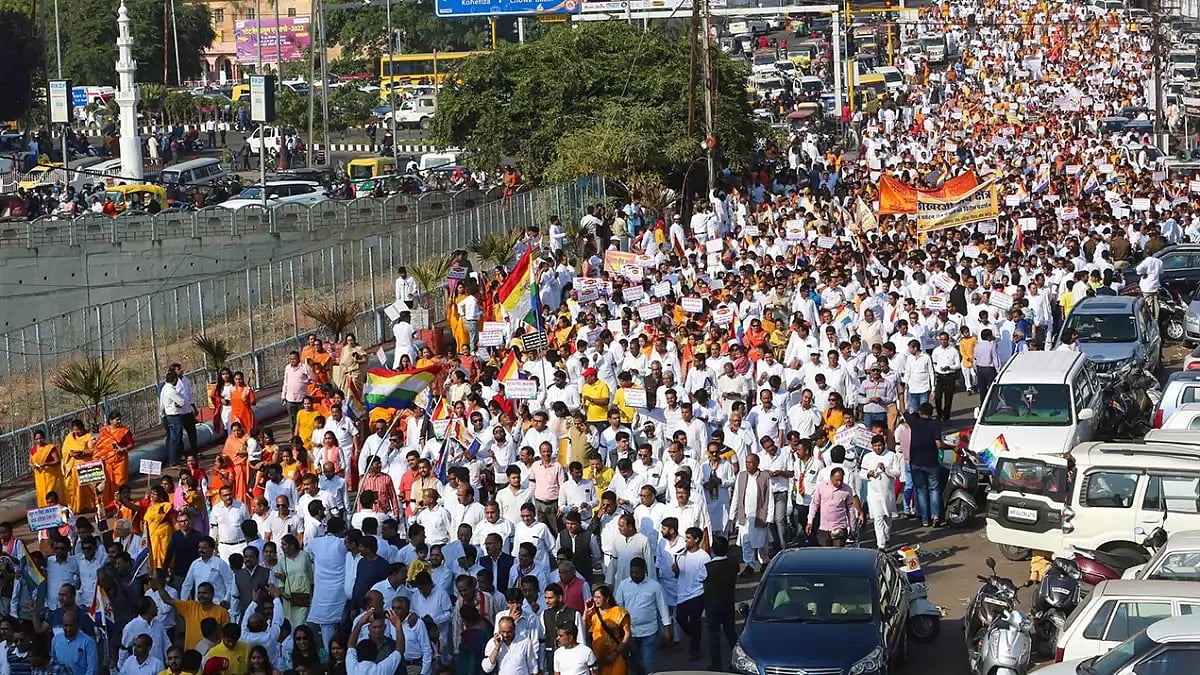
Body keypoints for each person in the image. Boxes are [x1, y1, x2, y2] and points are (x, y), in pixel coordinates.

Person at [904, 403, 946, 528]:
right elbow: (939, 444)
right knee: (934, 489)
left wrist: (901, 393)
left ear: (920, 412)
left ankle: (925, 519)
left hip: (916, 462)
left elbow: (903, 410)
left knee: (921, 490)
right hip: (931, 462)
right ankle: (936, 516)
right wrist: (952, 447)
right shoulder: (935, 425)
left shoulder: (914, 422)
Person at [807, 467, 863, 547]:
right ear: (831, 477)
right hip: (824, 529)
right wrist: (810, 521)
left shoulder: (847, 490)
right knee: (825, 555)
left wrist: (852, 528)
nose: (839, 483)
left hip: (840, 528)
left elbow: (850, 509)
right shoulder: (821, 487)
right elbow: (814, 504)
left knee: (837, 555)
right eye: (837, 480)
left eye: (841, 480)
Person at [30, 429, 65, 508]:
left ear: (44, 438)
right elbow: (30, 462)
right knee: (41, 494)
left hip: (50, 476)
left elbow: (57, 460)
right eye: (37, 439)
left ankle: (54, 510)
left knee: (50, 493)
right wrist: (33, 466)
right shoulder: (33, 449)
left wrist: (46, 464)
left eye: (41, 438)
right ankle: (44, 511)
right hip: (39, 476)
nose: (39, 440)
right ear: (34, 440)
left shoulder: (50, 448)